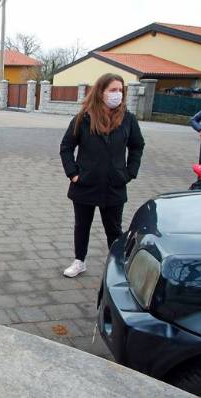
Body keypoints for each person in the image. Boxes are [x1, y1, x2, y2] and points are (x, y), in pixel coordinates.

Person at [59, 73, 145, 278]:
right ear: (101, 92)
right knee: (82, 226)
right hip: (85, 184)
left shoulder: (128, 119)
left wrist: (129, 172)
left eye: (120, 90)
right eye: (112, 90)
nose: (118, 94)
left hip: (114, 185)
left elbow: (137, 146)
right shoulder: (83, 118)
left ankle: (117, 264)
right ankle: (79, 261)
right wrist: (73, 174)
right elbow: (66, 147)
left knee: (114, 229)